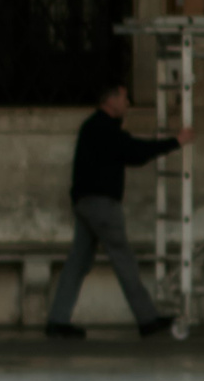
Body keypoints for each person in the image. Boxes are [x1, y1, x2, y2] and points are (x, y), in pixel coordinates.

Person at [46, 82, 193, 340]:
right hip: (101, 205)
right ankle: (147, 319)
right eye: (125, 98)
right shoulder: (103, 129)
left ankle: (57, 320)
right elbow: (135, 152)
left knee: (77, 262)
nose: (128, 104)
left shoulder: (94, 127)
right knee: (124, 259)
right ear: (110, 101)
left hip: (85, 204)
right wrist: (176, 142)